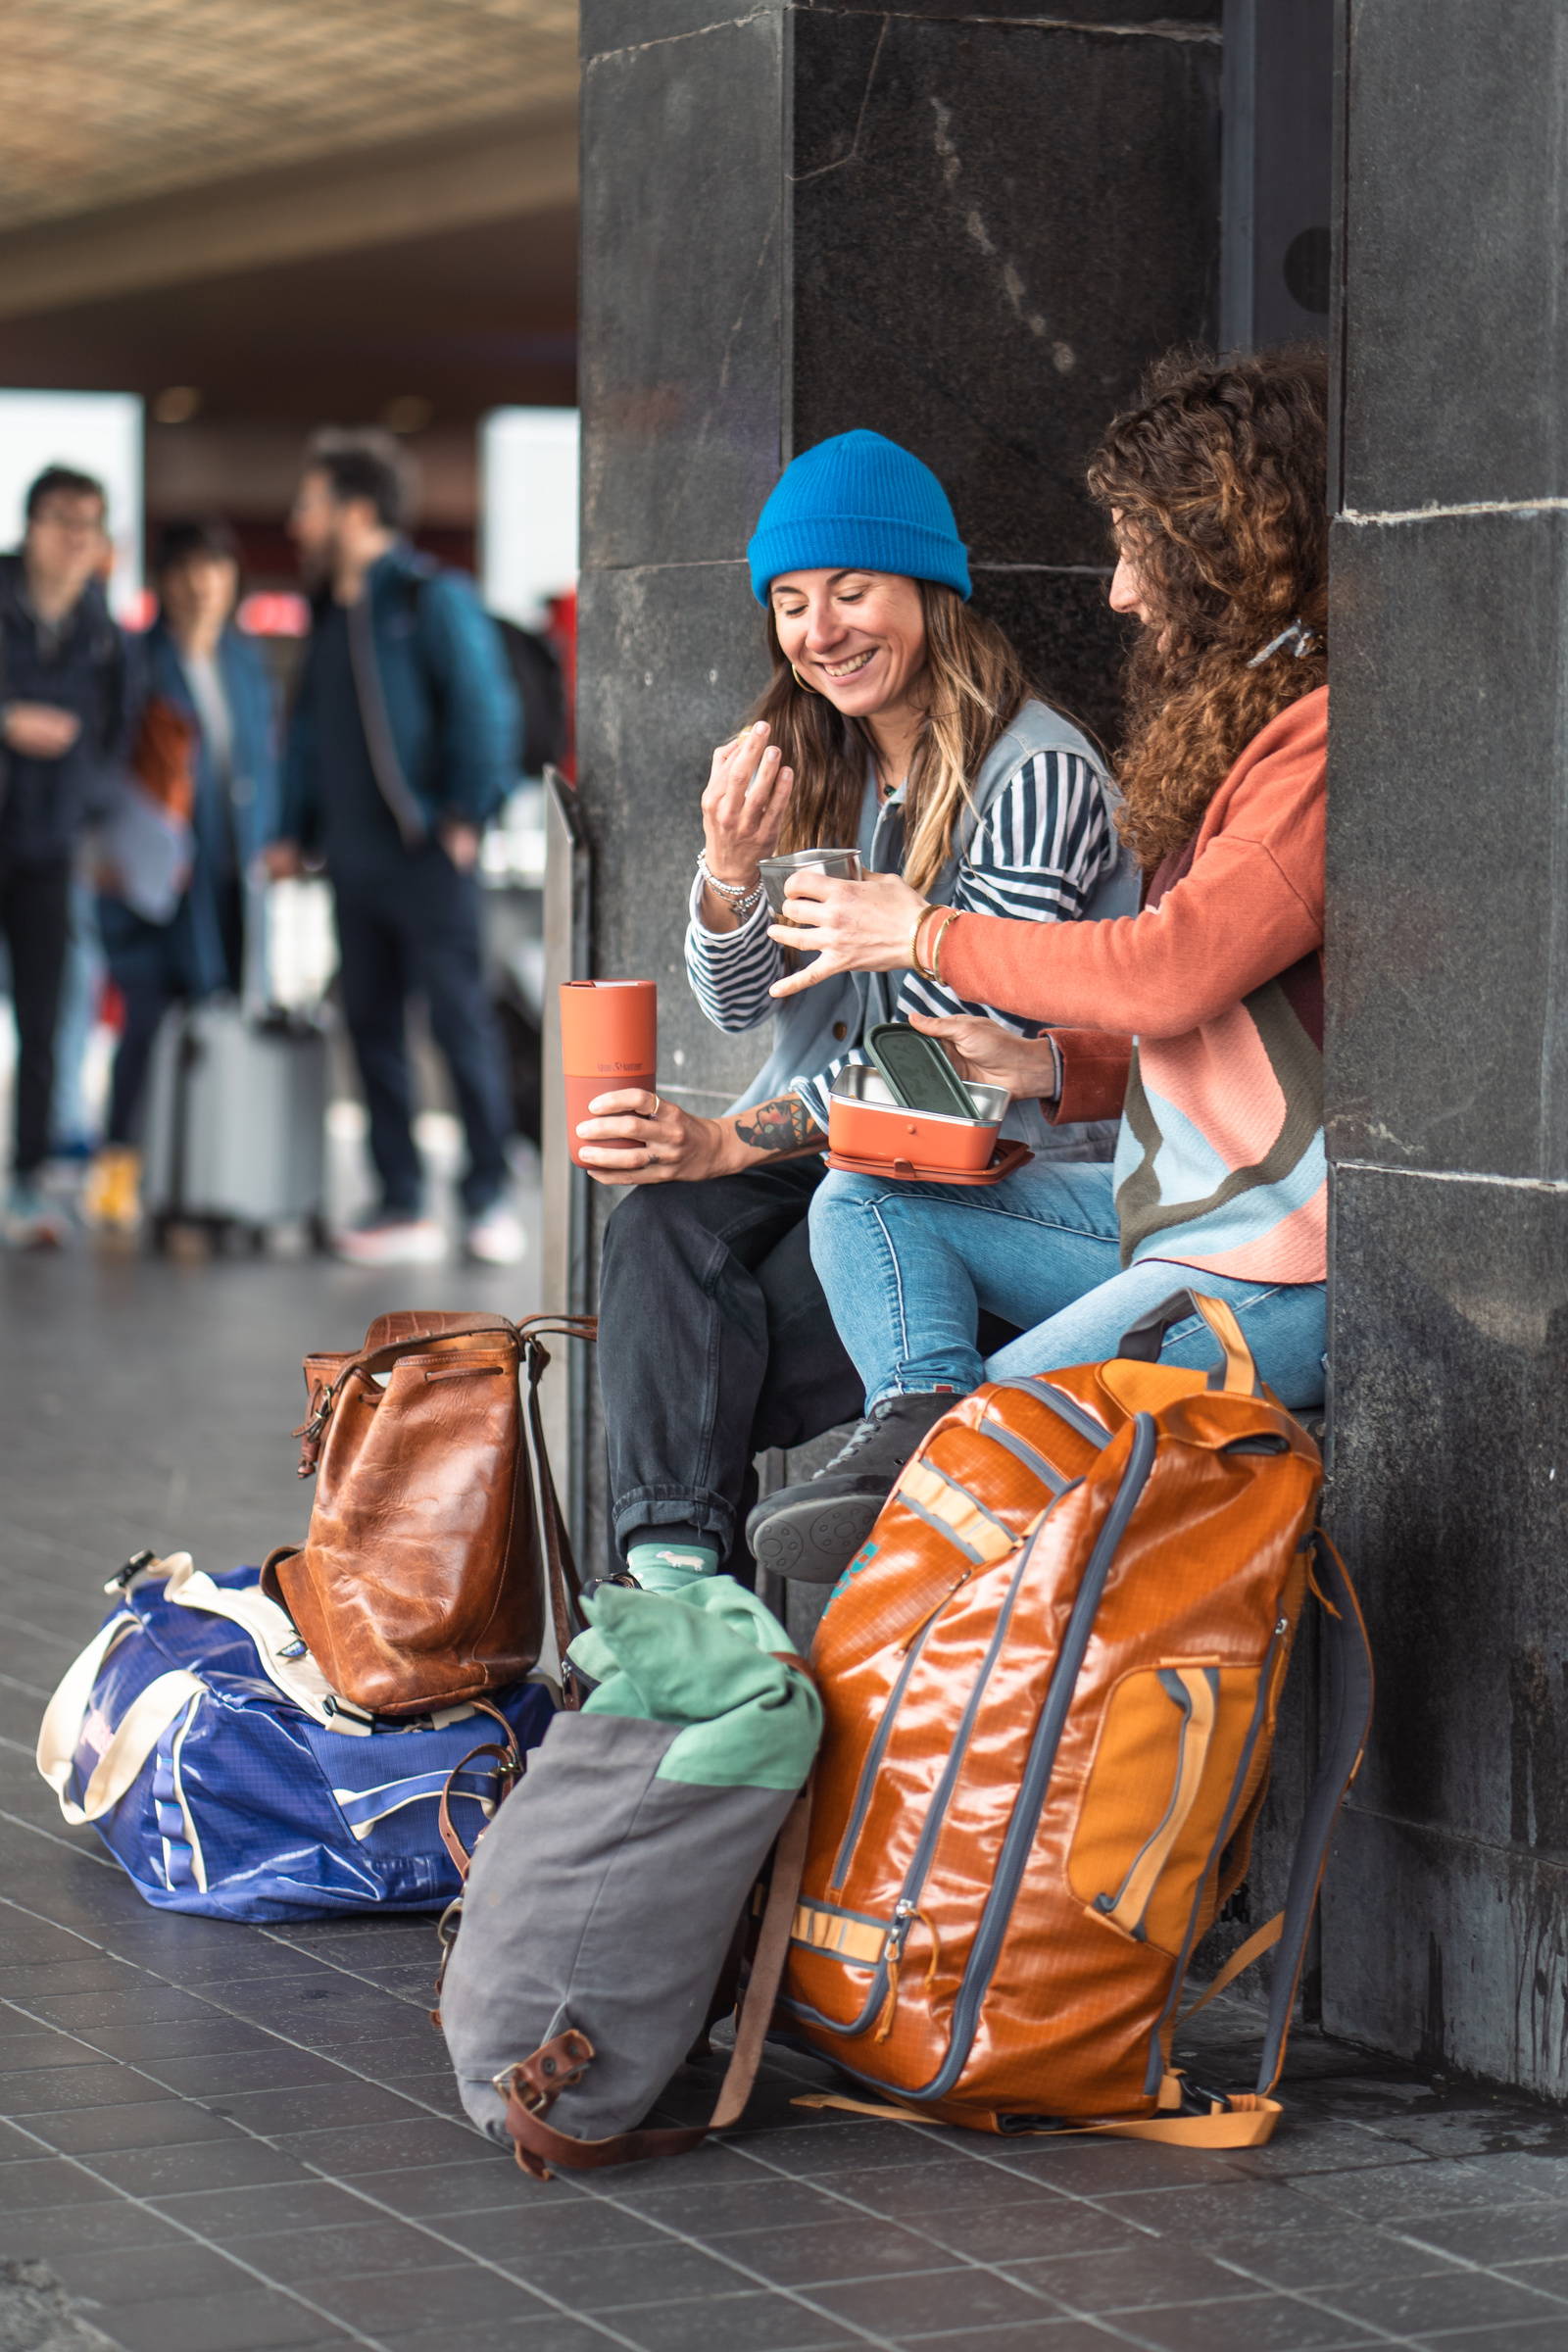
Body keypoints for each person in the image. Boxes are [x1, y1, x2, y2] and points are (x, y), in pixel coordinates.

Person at [749, 349, 1332, 1579]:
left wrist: (921, 931)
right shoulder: (1249, 731)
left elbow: (1172, 971)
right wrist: (1049, 1065)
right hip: (1169, 1218)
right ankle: (906, 1421)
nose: (1117, 591)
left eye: (1136, 546)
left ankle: (922, 1547)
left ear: (1223, 543)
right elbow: (1218, 1042)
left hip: (1289, 1263)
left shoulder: (1312, 746)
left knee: (991, 1438)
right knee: (863, 1192)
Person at [574, 428, 1133, 1593]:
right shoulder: (813, 759)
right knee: (655, 1227)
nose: (818, 632)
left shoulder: (1032, 775)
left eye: (850, 590)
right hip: (838, 1145)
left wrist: (727, 1139)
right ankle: (686, 1591)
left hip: (987, 1170)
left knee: (709, 1357)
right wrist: (727, 868)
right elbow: (737, 1006)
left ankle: (681, 1607)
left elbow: (950, 1063)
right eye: (789, 602)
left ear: (929, 591)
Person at [267, 430, 523, 1266]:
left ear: (354, 509)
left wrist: (463, 814)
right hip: (352, 859)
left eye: (310, 504)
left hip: (425, 853)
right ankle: (401, 1202)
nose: (297, 523)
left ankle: (487, 1199)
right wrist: (289, 832)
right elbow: (308, 739)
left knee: (458, 1025)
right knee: (370, 1028)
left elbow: (486, 708)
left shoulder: (423, 596)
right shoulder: (330, 615)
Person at [84, 519, 278, 1232]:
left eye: (217, 571)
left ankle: (202, 1174)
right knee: (146, 1017)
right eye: (189, 571)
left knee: (220, 1017)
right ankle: (119, 1165)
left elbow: (264, 764)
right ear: (165, 584)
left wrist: (274, 841)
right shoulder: (136, 661)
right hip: (152, 879)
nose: (204, 586)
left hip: (230, 877)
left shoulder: (244, 664)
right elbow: (107, 766)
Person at [0, 466, 132, 1248]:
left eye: (92, 520)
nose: (77, 534)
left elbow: (116, 730)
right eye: (61, 519)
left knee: (47, 1018)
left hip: (49, 845)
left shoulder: (99, 624)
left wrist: (85, 806)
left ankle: (30, 1180)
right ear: (30, 526)